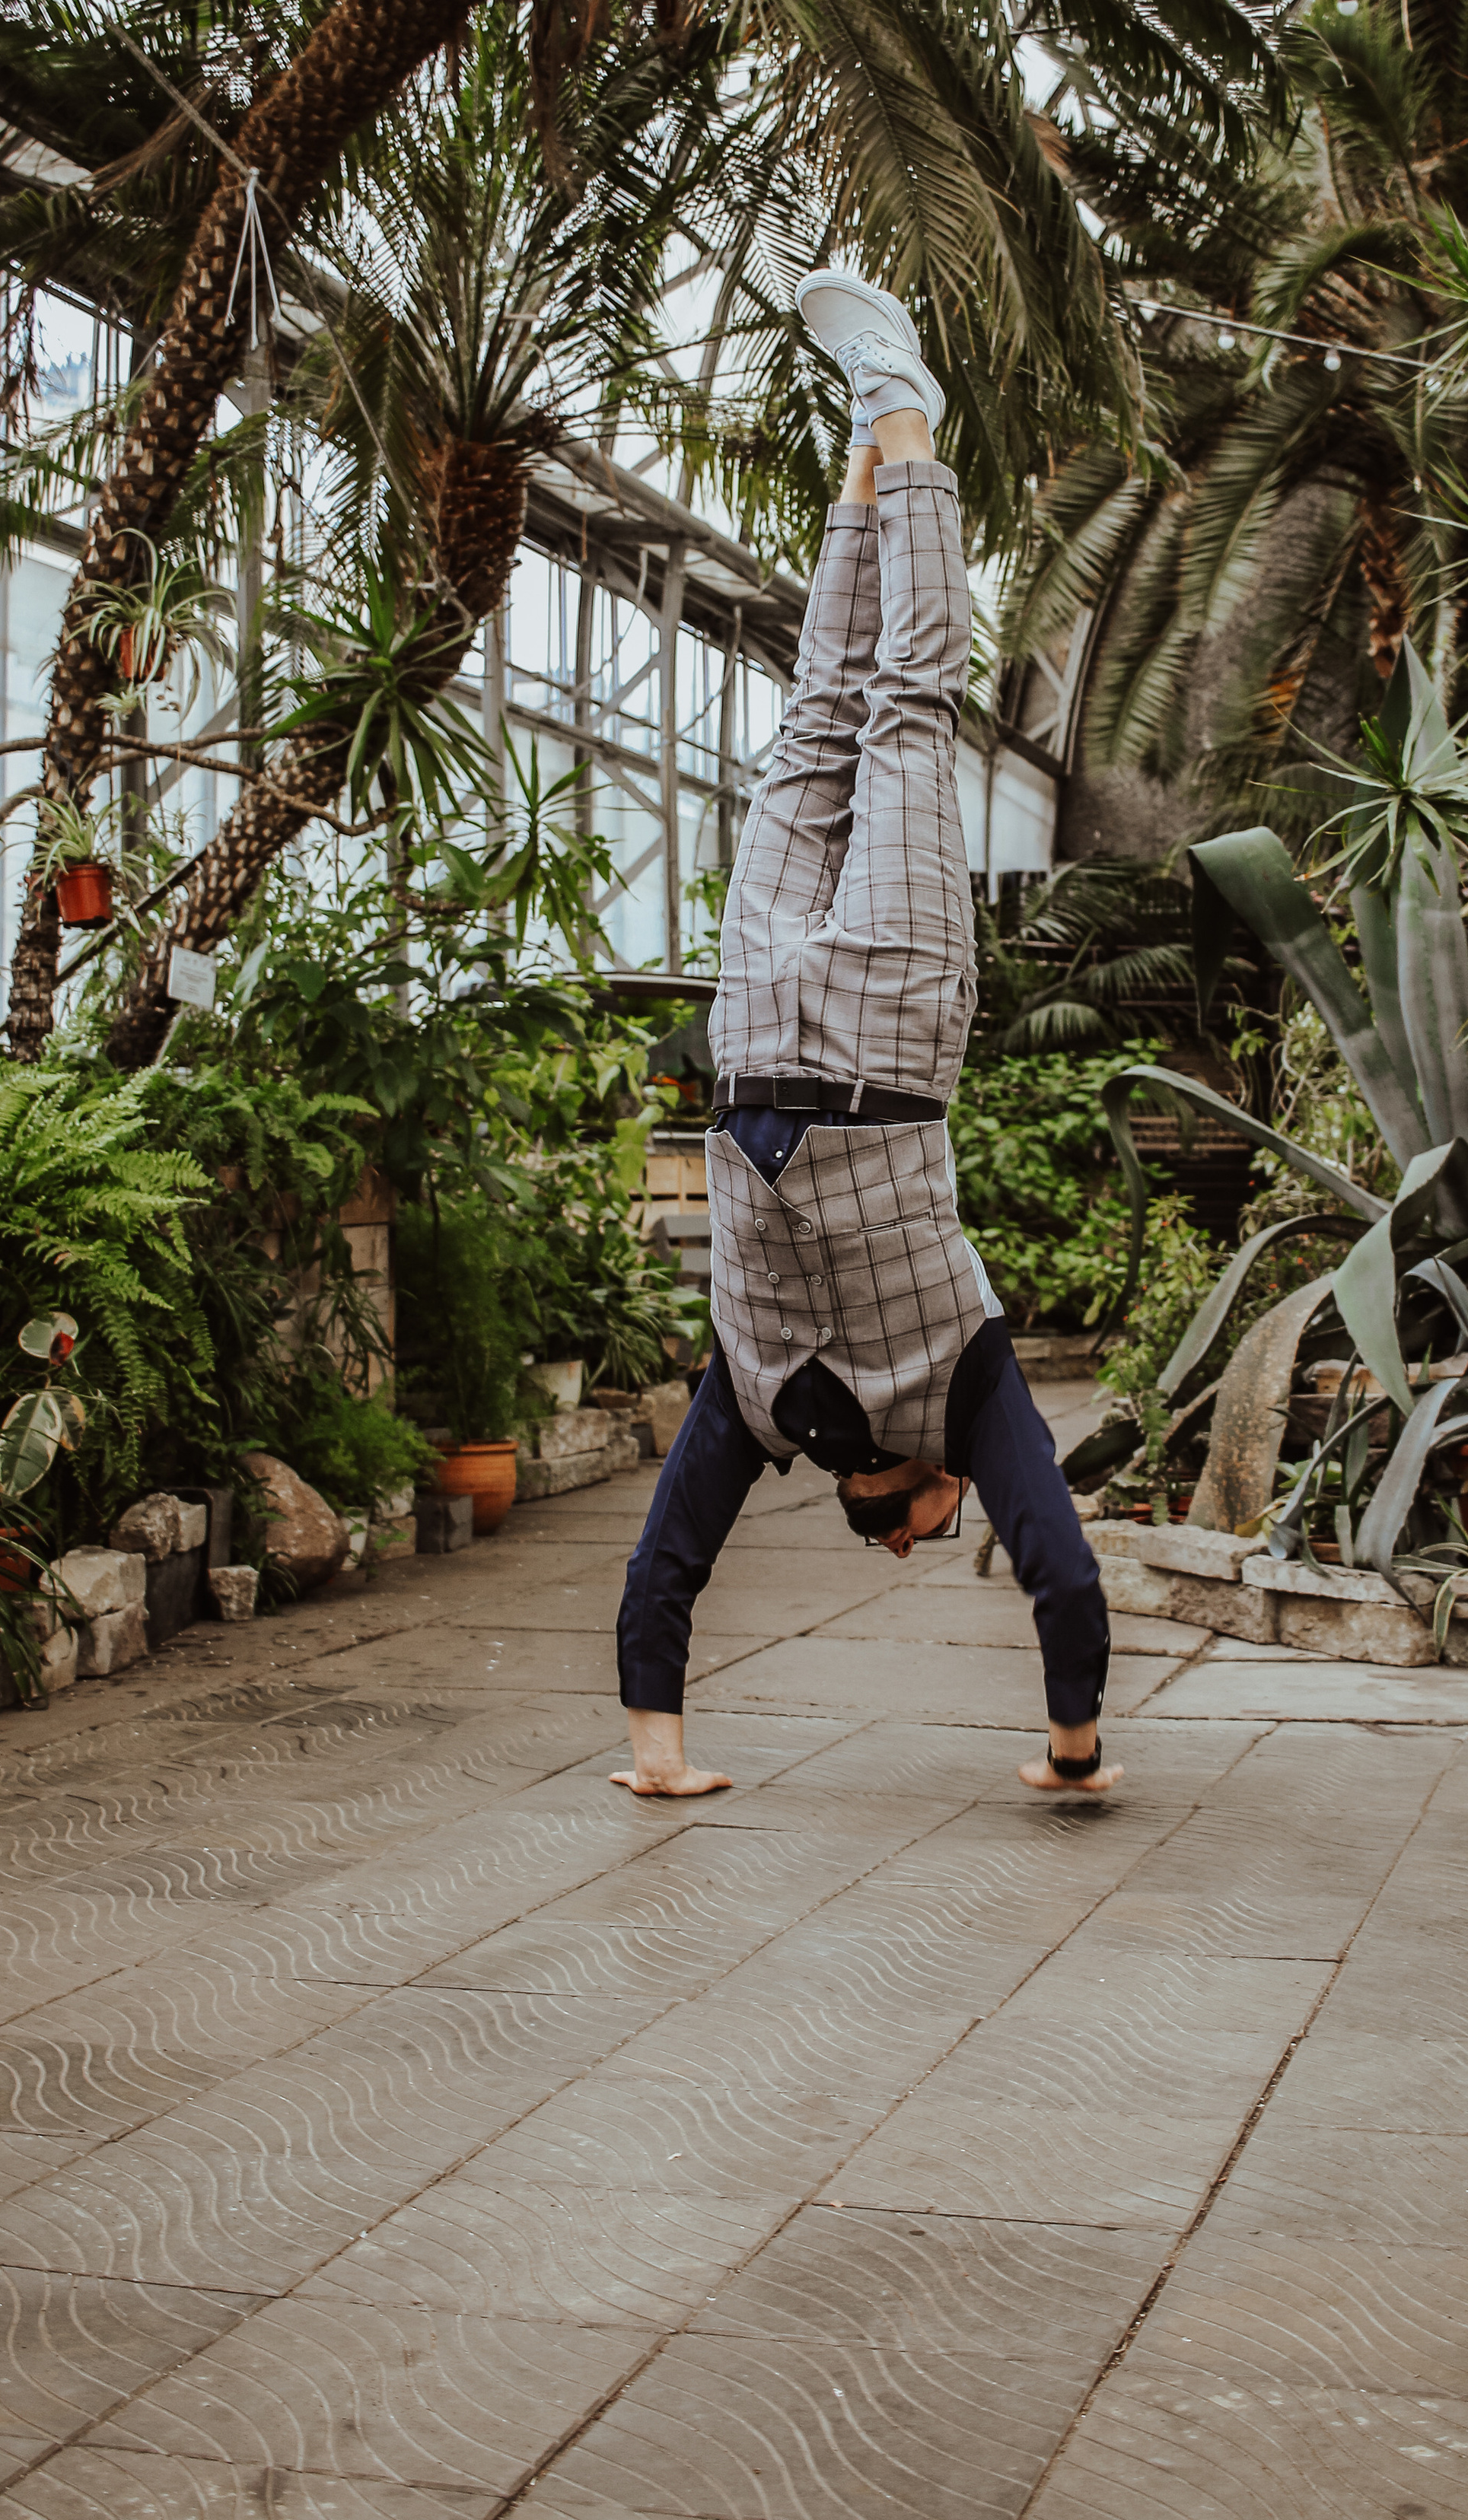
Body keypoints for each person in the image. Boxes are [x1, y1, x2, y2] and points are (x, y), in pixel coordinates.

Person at [611, 273, 1120, 1802]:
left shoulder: (768, 1399)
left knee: (824, 721)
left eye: (929, 1531)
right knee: (896, 716)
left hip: (775, 1036)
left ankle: (864, 438)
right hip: (858, 1043)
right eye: (949, 1530)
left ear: (900, 1506)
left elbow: (668, 1559)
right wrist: (1068, 1754)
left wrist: (1073, 1752)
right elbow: (1067, 1574)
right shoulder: (922, 1386)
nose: (958, 1521)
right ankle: (902, 412)